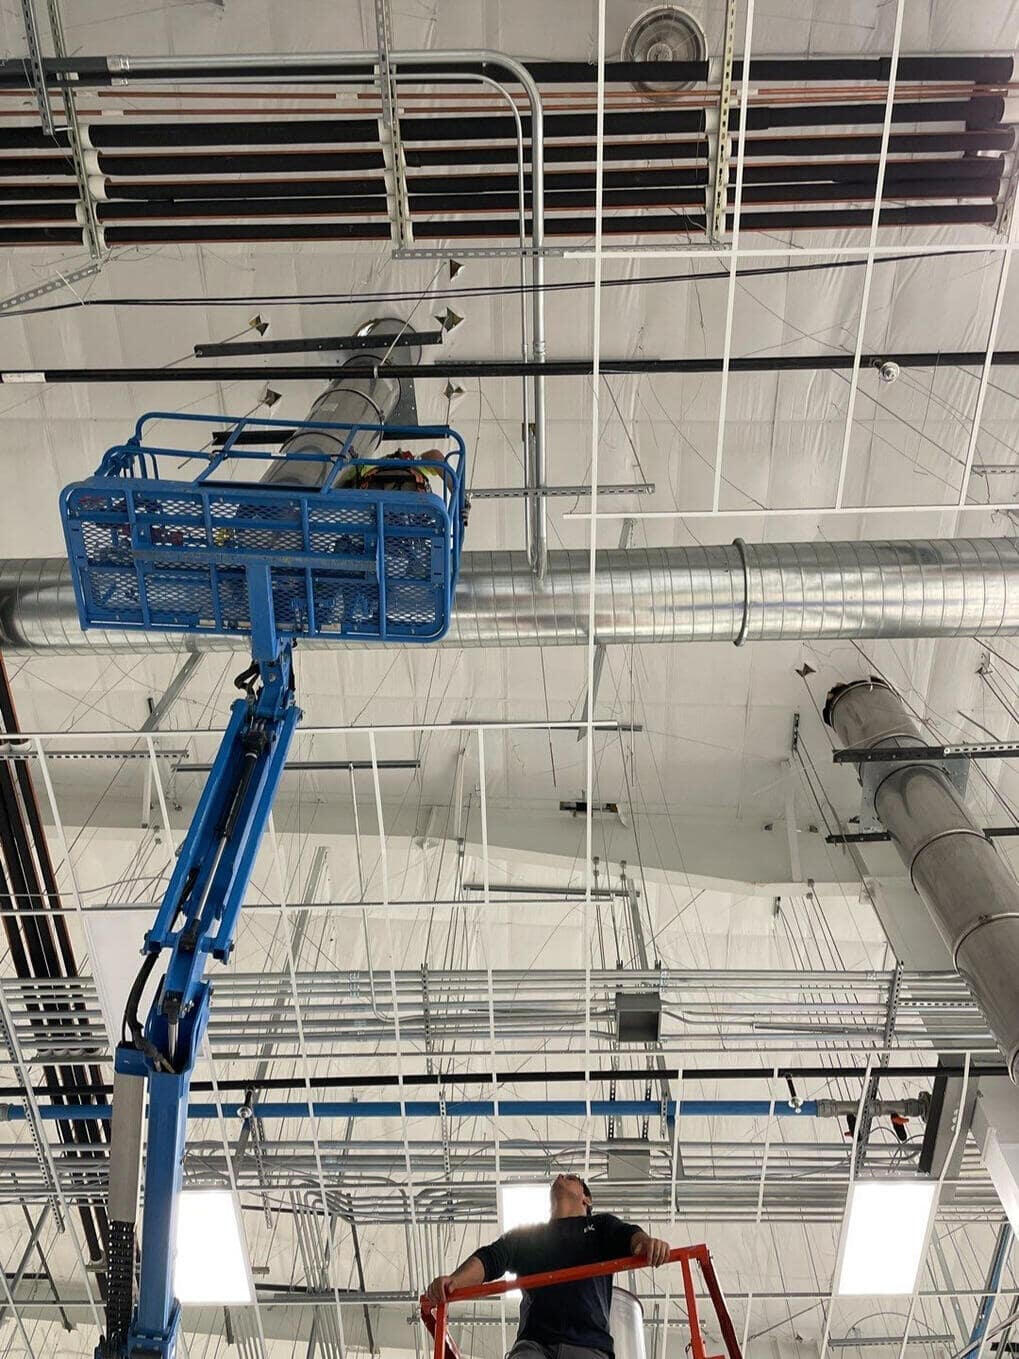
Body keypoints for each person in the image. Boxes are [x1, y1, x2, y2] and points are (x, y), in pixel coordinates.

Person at [425, 1173, 670, 1359]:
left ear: (586, 1199)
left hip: (589, 1345)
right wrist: (455, 1280)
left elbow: (629, 1237)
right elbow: (490, 1259)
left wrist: (647, 1243)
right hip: (535, 1345)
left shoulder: (600, 1226)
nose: (561, 1176)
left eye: (572, 1178)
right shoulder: (526, 1236)